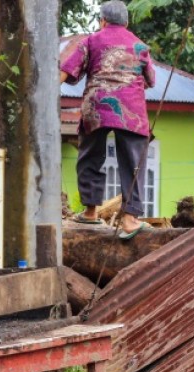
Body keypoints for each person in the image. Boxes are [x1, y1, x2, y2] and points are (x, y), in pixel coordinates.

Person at [60, 0, 156, 239]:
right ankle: (130, 219)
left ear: (102, 20)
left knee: (90, 156)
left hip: (97, 107)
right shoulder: (140, 46)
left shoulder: (90, 41)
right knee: (134, 162)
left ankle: (91, 212)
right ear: (126, 22)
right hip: (130, 112)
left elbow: (65, 72)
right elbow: (151, 79)